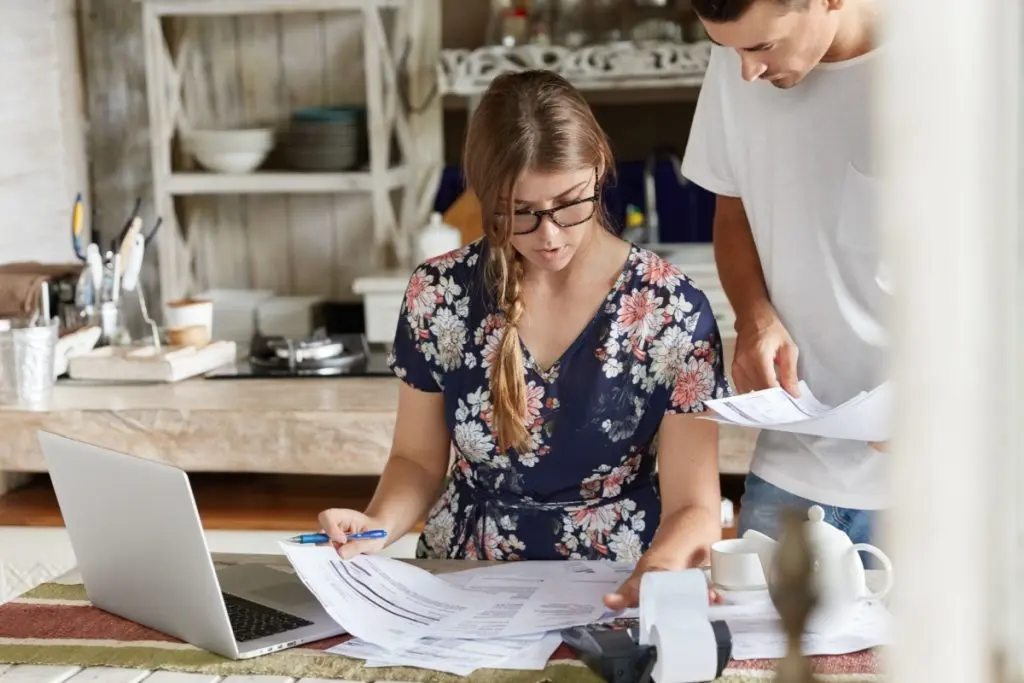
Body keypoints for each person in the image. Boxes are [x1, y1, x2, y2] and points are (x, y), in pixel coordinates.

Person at [318, 70, 731, 609]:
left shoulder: (670, 309)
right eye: (521, 213)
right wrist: (376, 526)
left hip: (616, 583)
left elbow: (695, 506)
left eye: (569, 203)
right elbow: (417, 462)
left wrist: (662, 565)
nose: (550, 235)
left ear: (599, 169)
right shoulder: (438, 294)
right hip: (460, 575)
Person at [681, 0, 887, 545]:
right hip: (790, 476)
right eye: (730, 50)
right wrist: (754, 317)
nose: (746, 71)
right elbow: (732, 211)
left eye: (761, 48)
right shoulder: (735, 59)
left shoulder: (946, 70)